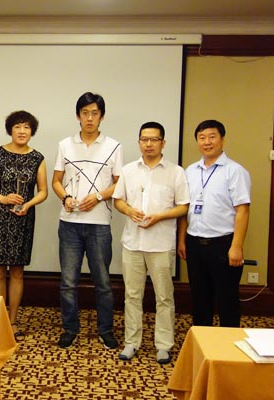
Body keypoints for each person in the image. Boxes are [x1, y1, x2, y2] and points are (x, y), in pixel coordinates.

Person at [113, 122, 190, 363]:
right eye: (144, 139)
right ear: (139, 142)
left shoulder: (176, 172)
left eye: (154, 140)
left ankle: (164, 345)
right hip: (132, 243)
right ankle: (131, 342)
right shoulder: (128, 170)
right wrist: (129, 211)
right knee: (132, 296)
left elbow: (183, 206)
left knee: (164, 297)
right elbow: (118, 200)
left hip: (161, 244)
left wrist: (159, 217)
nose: (148, 144)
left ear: (163, 143)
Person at [52, 92, 123, 349]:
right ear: (78, 116)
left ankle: (106, 330)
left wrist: (98, 197)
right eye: (85, 113)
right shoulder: (65, 144)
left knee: (102, 282)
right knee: (68, 282)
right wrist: (66, 197)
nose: (89, 118)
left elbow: (119, 184)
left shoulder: (114, 145)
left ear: (101, 117)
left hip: (99, 224)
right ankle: (70, 329)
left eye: (94, 113)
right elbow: (56, 181)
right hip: (69, 223)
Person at [0, 110, 48, 340]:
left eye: (26, 127)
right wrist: (3, 198)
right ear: (10, 129)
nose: (22, 131)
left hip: (23, 218)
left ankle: (13, 321)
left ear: (32, 131)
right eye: (17, 126)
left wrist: (28, 204)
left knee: (18, 271)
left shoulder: (37, 158)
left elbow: (43, 191)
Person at [177, 119, 251, 327]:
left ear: (222, 140)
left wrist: (236, 246)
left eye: (212, 137)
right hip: (194, 244)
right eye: (201, 138)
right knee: (200, 300)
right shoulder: (190, 171)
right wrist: (182, 240)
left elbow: (243, 210)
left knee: (227, 301)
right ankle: (203, 343)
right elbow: (185, 209)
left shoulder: (235, 171)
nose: (206, 142)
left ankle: (228, 345)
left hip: (223, 245)